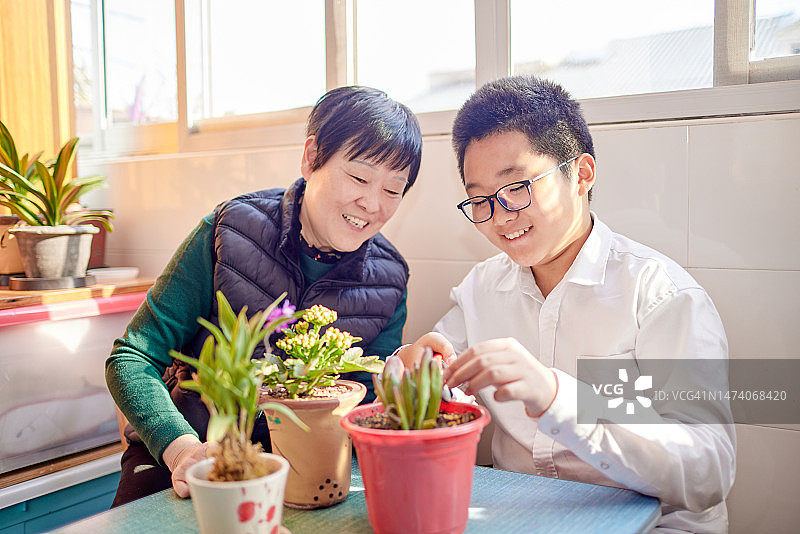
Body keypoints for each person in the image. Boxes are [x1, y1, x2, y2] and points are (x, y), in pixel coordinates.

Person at [397, 76, 735, 533]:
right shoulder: (482, 288)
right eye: (479, 200)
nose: (501, 216)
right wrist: (415, 369)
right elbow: (435, 368)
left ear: (581, 174)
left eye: (518, 186)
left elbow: (710, 470)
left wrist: (558, 396)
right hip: (521, 518)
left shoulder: (661, 296)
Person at [106, 86, 423, 506]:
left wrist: (408, 382)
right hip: (187, 456)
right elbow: (133, 357)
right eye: (359, 178)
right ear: (311, 157)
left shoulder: (390, 277)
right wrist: (180, 449)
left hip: (305, 472)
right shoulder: (229, 230)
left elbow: (364, 400)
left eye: (393, 190)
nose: (371, 204)